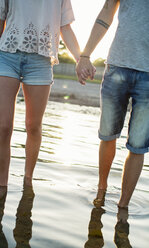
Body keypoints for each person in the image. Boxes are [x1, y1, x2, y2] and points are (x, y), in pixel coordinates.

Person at [0, 0, 80, 197]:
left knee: (33, 126)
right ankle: (2, 188)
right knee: (4, 125)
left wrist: (81, 59)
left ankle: (28, 181)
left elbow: (65, 27)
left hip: (41, 59)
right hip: (7, 54)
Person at [76, 0, 149, 208]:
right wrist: (85, 55)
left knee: (138, 146)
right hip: (117, 66)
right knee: (107, 135)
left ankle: (123, 206)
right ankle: (101, 191)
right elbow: (107, 10)